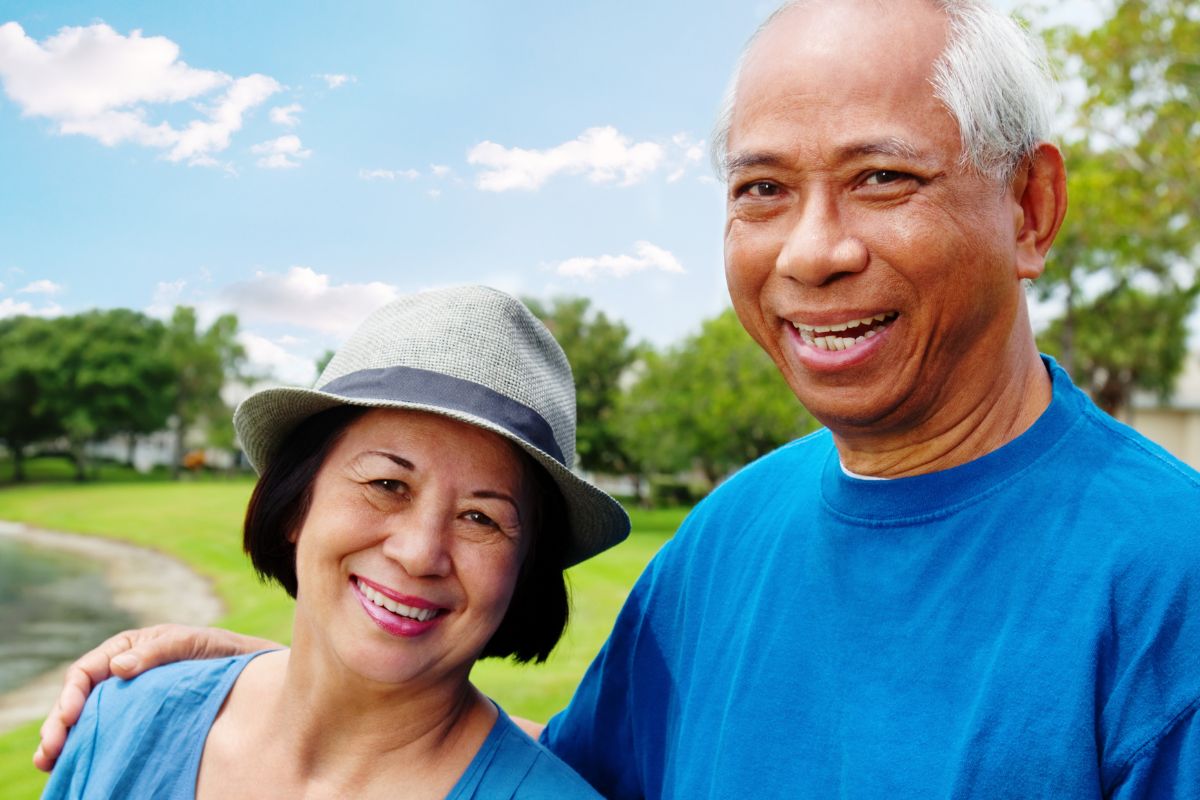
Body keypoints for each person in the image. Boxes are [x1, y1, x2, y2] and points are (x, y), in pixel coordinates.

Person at [36, 0, 1200, 797]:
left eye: (881, 177)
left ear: (1031, 210)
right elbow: (560, 762)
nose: (812, 249)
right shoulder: (734, 532)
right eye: (761, 189)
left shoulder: (1165, 577)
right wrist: (279, 674)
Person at [40, 285, 629, 798]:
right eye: (387, 484)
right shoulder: (122, 722)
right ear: (298, 501)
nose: (420, 552)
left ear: (524, 571)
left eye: (481, 518)